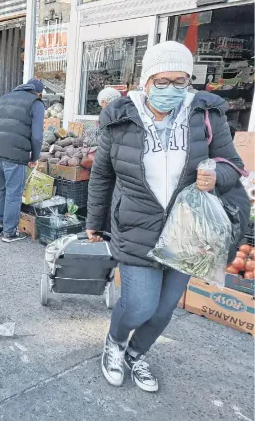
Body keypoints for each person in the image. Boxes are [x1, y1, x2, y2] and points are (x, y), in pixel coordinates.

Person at [86, 41, 248, 393]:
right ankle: (114, 342)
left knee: (163, 311)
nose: (171, 89)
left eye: (181, 81)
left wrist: (215, 174)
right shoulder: (120, 118)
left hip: (187, 232)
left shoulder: (206, 116)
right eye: (163, 81)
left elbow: (233, 165)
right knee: (139, 304)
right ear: (146, 81)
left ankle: (136, 354)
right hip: (135, 225)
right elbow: (102, 175)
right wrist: (94, 221)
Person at [0, 78, 44, 243]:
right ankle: (9, 232)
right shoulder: (36, 103)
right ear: (38, 92)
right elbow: (38, 136)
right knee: (13, 192)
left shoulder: (4, 98)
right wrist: (34, 156)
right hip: (15, 153)